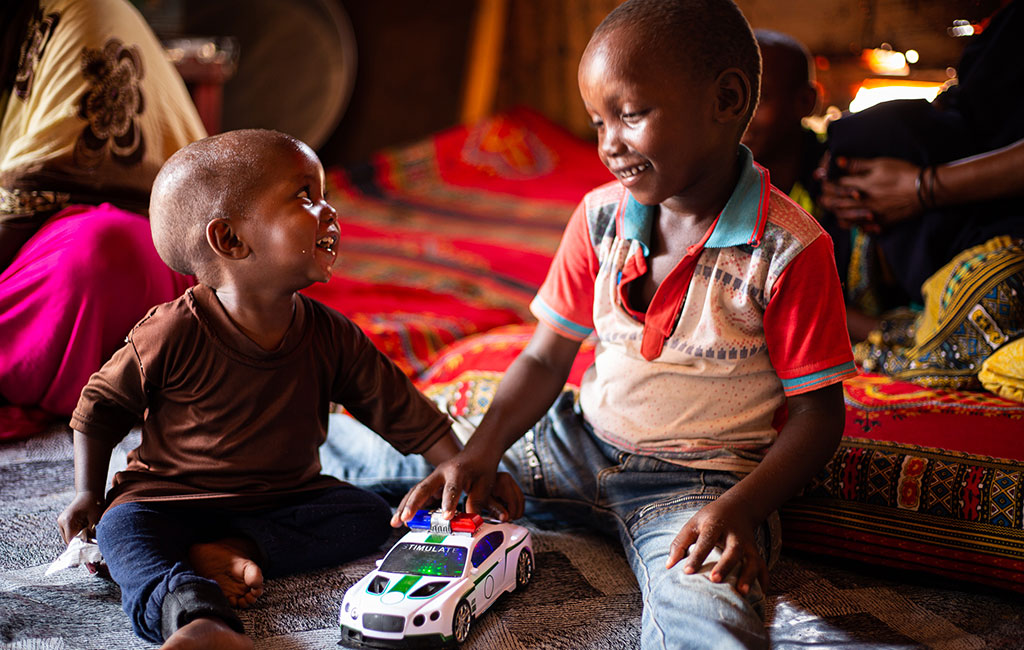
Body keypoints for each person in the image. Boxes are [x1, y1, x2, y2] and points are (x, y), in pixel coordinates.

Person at [332, 1, 858, 647]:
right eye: (598, 121)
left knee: (706, 606)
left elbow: (817, 414)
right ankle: (255, 454)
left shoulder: (790, 248)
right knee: (406, 462)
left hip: (696, 486)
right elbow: (547, 357)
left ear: (725, 99)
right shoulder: (600, 216)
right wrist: (482, 451)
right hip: (573, 442)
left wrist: (740, 510)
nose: (608, 144)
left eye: (631, 116)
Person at [56, 129, 523, 650]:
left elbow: (402, 412)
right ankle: (195, 616)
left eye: (324, 195)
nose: (330, 211)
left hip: (287, 499)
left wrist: (462, 469)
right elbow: (99, 409)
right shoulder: (171, 331)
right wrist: (87, 493)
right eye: (305, 197)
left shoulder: (331, 335)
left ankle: (228, 547)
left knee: (372, 515)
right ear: (230, 240)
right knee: (125, 532)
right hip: (173, 498)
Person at [0, 0, 206, 440]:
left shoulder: (82, 12)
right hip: (18, 274)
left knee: (101, 254)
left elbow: (29, 201)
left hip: (106, 244)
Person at [817, 0, 1024, 338]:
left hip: (990, 218)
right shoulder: (1007, 24)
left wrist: (921, 188)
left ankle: (905, 332)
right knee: (873, 131)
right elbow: (972, 107)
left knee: (989, 285)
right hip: (958, 199)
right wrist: (841, 170)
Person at [741, 29, 823, 214]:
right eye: (728, 97)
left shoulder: (838, 188)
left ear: (805, 102)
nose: (736, 115)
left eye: (759, 99)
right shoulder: (704, 187)